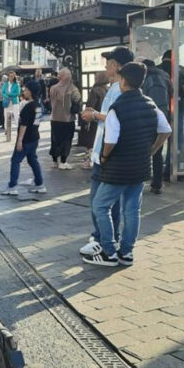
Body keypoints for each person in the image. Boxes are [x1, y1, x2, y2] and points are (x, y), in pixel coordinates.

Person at [82, 63, 172, 267]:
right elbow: (165, 130)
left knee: (100, 205)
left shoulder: (118, 108)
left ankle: (108, 251)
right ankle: (127, 252)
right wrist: (152, 149)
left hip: (118, 168)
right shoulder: (150, 104)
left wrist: (104, 158)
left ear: (123, 81)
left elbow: (111, 140)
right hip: (140, 167)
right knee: (132, 210)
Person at [79, 46, 132, 256]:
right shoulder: (115, 87)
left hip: (108, 154)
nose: (105, 66)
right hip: (105, 152)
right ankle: (109, 238)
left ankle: (103, 241)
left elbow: (115, 119)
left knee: (99, 202)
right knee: (110, 202)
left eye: (108, 62)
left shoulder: (120, 89)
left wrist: (93, 115)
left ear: (117, 66)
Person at [1, 80, 45, 195]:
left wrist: (19, 141)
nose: (23, 91)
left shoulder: (28, 107)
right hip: (35, 137)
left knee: (15, 160)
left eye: (25, 89)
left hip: (26, 139)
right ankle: (40, 184)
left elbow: (24, 125)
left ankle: (12, 186)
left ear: (30, 91)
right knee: (32, 160)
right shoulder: (39, 105)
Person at [159, 50, 184, 177]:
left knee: (157, 139)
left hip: (158, 109)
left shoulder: (156, 70)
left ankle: (156, 171)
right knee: (175, 140)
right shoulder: (180, 69)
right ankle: (171, 170)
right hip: (176, 109)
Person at [140, 59, 171, 194]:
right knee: (157, 152)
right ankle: (157, 184)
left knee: (142, 150)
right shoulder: (165, 76)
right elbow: (173, 92)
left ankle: (139, 180)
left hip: (147, 118)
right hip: (162, 117)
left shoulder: (144, 77)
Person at [48, 67, 81, 169]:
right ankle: (63, 162)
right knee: (66, 140)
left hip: (54, 118)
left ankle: (54, 161)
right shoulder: (72, 88)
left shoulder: (53, 88)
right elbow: (78, 100)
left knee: (54, 140)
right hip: (67, 119)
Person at [79, 72, 109, 169]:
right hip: (103, 118)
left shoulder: (95, 90)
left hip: (94, 117)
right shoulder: (108, 89)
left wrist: (86, 115)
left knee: (90, 141)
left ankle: (88, 161)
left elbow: (90, 105)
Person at [1, 71, 21, 143]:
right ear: (8, 76)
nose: (11, 77)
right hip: (7, 101)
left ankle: (19, 128)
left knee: (16, 115)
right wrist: (7, 96)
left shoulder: (17, 84)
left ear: (14, 77)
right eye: (10, 76)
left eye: (12, 76)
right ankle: (6, 129)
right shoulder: (5, 84)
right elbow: (2, 92)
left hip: (14, 101)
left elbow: (18, 93)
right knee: (5, 115)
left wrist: (9, 94)